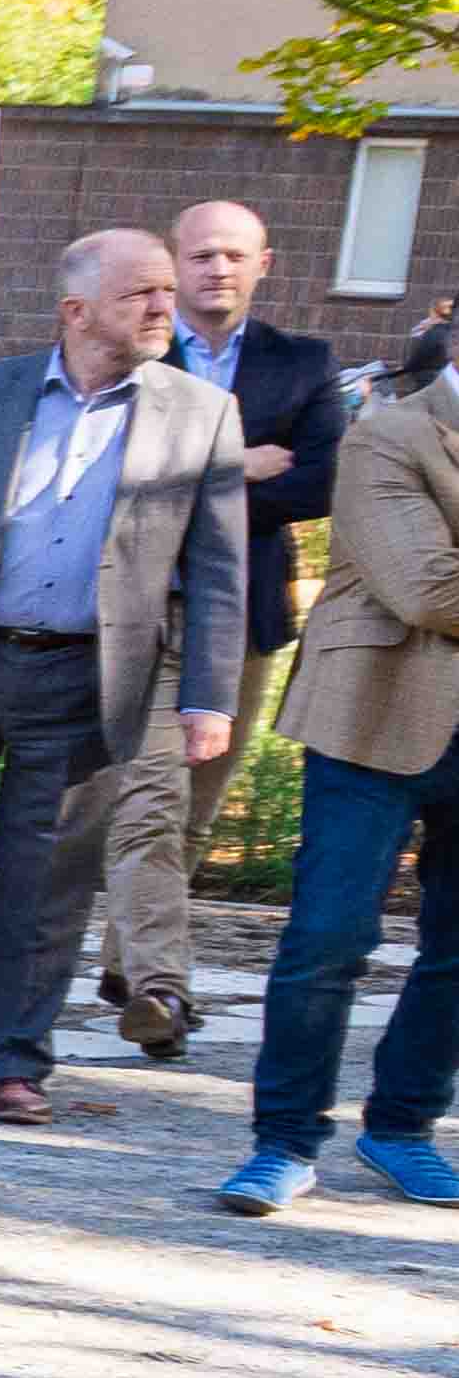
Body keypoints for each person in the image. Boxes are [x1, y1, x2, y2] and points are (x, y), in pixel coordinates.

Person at [0, 226, 248, 1127]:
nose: (161, 307)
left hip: (87, 677)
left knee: (47, 877)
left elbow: (220, 568)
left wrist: (208, 696)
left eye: (164, 292)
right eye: (139, 293)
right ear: (75, 309)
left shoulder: (198, 413)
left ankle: (16, 1060)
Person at [99, 197, 345, 1057]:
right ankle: (159, 983)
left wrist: (183, 481)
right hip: (124, 607)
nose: (216, 270)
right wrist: (236, 465)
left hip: (237, 609)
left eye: (234, 255)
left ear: (262, 264)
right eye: (200, 255)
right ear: (175, 258)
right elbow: (107, 472)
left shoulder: (300, 365)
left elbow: (317, 485)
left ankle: (125, 957)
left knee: (194, 805)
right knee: (140, 800)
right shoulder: (129, 347)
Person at [219, 346, 459, 1214]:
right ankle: (282, 1143)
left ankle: (401, 1129)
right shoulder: (390, 435)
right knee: (328, 938)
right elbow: (428, 588)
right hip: (374, 714)